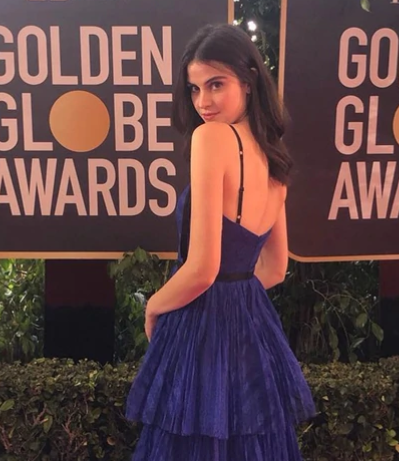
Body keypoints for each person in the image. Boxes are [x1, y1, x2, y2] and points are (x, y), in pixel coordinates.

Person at [125, 23, 317, 460]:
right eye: (194, 89)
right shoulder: (273, 155)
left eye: (216, 84)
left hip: (201, 325)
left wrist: (154, 306)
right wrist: (235, 303)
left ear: (248, 81)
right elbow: (275, 269)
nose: (203, 102)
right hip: (251, 327)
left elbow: (202, 268)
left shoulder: (211, 137)